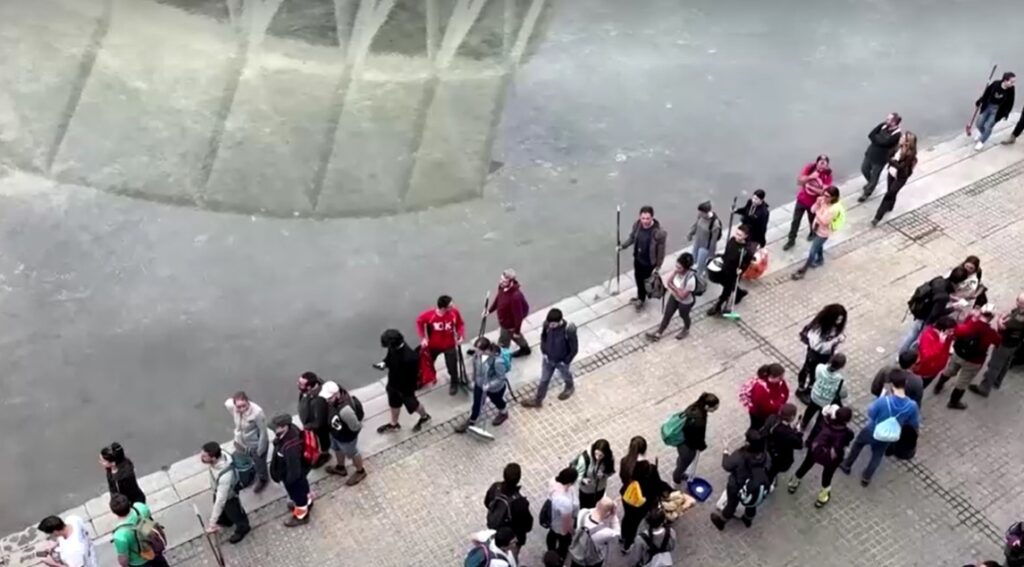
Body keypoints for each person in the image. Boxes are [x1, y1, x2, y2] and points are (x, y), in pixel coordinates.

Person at [839, 374, 920, 486]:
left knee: (858, 444)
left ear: (892, 385)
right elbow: (913, 423)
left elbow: (871, 413)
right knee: (877, 455)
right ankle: (866, 477)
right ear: (905, 385)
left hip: (872, 429)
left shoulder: (884, 401)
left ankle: (847, 464)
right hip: (889, 435)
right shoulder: (912, 406)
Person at [934, 306, 1002, 409]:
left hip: (958, 354)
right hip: (974, 361)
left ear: (980, 313)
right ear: (991, 317)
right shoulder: (990, 332)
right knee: (963, 381)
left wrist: (970, 316)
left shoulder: (970, 325)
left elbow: (958, 331)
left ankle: (938, 386)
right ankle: (953, 402)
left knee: (949, 370)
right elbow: (998, 341)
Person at [788, 406, 855, 508]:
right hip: (832, 459)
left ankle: (793, 483)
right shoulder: (847, 433)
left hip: (815, 451)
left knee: (805, 466)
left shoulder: (825, 422)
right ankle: (822, 497)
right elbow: (846, 443)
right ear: (847, 420)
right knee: (827, 476)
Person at [899, 267, 970, 356]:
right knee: (919, 340)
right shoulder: (943, 297)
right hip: (926, 319)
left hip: (921, 311)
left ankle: (901, 354)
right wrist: (953, 308)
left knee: (912, 334)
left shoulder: (939, 280)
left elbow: (935, 294)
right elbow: (936, 313)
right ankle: (908, 357)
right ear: (959, 283)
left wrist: (950, 298)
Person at [710, 429, 771, 530]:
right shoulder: (764, 455)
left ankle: (721, 522)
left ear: (748, 442)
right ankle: (747, 520)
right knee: (751, 505)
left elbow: (727, 465)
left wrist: (725, 451)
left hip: (737, 486)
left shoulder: (740, 455)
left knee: (731, 504)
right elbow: (768, 466)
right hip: (753, 486)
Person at [374, 329, 432, 433]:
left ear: (393, 344)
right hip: (393, 383)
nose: (388, 348)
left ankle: (424, 416)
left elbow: (413, 377)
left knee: (413, 404)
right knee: (393, 403)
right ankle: (394, 424)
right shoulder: (394, 348)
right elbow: (389, 358)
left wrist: (405, 390)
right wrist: (384, 363)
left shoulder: (411, 358)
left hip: (405, 387)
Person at [523, 309, 579, 408]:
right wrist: (544, 351)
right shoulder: (547, 325)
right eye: (550, 324)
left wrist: (566, 361)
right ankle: (538, 400)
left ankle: (570, 387)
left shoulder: (568, 331)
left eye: (553, 324)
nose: (551, 326)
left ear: (560, 321)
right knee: (544, 380)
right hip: (548, 359)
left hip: (561, 361)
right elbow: (543, 337)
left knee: (565, 374)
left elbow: (574, 349)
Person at [973, 293, 1024, 396]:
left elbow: (1002, 326)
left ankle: (984, 388)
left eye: (1018, 300)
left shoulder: (1020, 319)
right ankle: (997, 381)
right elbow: (1012, 313)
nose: (1016, 301)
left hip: (1005, 343)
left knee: (995, 365)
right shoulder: (1020, 312)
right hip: (1015, 343)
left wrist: (999, 319)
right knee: (1006, 363)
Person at [794, 303, 848, 402]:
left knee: (815, 374)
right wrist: (830, 341)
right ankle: (801, 389)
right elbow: (815, 344)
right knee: (808, 370)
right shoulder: (818, 327)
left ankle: (809, 389)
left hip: (825, 355)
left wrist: (837, 341)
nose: (839, 322)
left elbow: (838, 338)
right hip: (815, 353)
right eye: (837, 319)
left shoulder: (835, 328)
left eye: (841, 320)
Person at [455, 337, 510, 432]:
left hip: (494, 388)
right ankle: (472, 420)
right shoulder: (478, 356)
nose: (476, 353)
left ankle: (504, 412)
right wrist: (474, 379)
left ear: (486, 350)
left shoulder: (497, 361)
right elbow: (476, 366)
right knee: (477, 403)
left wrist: (490, 385)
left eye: (478, 351)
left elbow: (501, 378)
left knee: (497, 401)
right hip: (480, 384)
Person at [618, 205, 668, 310]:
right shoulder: (637, 225)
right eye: (643, 218)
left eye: (647, 218)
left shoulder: (658, 233)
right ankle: (640, 296)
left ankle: (642, 299)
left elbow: (661, 251)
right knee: (638, 278)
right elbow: (632, 238)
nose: (645, 221)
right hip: (638, 259)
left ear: (652, 217)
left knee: (645, 281)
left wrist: (658, 266)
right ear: (640, 217)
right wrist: (623, 246)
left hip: (649, 262)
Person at [416, 295, 467, 395]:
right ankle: (424, 378)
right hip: (433, 345)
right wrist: (423, 338)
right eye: (450, 306)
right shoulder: (430, 316)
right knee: (427, 363)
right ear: (444, 308)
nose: (453, 307)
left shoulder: (454, 313)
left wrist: (461, 335)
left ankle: (454, 382)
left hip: (449, 345)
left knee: (452, 366)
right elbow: (419, 321)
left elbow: (460, 324)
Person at [200, 442, 250, 544]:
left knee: (235, 513)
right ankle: (225, 521)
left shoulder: (225, 475)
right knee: (222, 511)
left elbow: (220, 500)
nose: (201, 457)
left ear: (213, 458)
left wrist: (212, 522)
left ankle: (243, 528)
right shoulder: (218, 457)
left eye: (204, 456)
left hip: (229, 496)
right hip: (217, 489)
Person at [320, 381, 368, 485]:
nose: (327, 401)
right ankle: (340, 467)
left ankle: (360, 471)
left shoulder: (345, 411)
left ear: (337, 394)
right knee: (337, 448)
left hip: (347, 438)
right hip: (336, 433)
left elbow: (356, 427)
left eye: (329, 398)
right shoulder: (337, 395)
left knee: (353, 453)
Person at [484, 463, 534, 561]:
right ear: (519, 479)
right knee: (511, 559)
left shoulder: (495, 487)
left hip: (494, 529)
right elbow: (527, 525)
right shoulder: (520, 503)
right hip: (510, 537)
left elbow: (486, 503)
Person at [619, 459, 671, 554]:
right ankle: (628, 544)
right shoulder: (651, 473)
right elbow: (658, 485)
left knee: (627, 519)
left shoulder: (632, 477)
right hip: (641, 507)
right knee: (634, 525)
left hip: (628, 500)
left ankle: (623, 538)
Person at [269, 413, 313, 527]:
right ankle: (308, 501)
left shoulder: (290, 447)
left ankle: (301, 515)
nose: (273, 430)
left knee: (298, 495)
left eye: (275, 428)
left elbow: (294, 470)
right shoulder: (292, 429)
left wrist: (289, 481)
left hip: (293, 477)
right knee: (304, 488)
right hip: (301, 473)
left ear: (284, 427)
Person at [791, 186, 843, 280]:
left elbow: (824, 221)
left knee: (813, 250)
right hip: (816, 227)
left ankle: (804, 269)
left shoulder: (834, 208)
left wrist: (818, 212)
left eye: (827, 196)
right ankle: (820, 259)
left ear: (833, 197)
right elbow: (812, 210)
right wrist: (817, 203)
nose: (824, 197)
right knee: (818, 245)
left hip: (823, 232)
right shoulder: (823, 201)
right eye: (824, 195)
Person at [646, 252, 697, 342]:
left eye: (679, 267)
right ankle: (659, 332)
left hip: (685, 302)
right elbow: (668, 281)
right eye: (676, 266)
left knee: (684, 315)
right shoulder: (677, 272)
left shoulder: (691, 280)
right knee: (667, 313)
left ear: (685, 268)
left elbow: (682, 296)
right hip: (674, 297)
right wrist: (675, 284)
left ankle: (686, 328)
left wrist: (673, 287)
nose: (677, 269)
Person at [224, 391, 269, 493]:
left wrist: (260, 449)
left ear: (248, 401)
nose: (242, 409)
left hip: (254, 443)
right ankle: (248, 471)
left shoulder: (257, 412)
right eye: (238, 407)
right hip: (240, 441)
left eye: (244, 406)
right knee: (241, 457)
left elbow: (263, 432)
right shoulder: (234, 408)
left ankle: (263, 479)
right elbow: (227, 403)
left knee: (259, 463)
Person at [785, 155, 833, 251]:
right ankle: (791, 239)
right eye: (820, 163)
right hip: (802, 200)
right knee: (795, 221)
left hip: (814, 204)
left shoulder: (828, 175)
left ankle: (812, 233)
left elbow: (825, 192)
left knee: (813, 222)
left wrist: (812, 188)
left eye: (825, 164)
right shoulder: (810, 168)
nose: (822, 166)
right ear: (817, 163)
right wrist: (811, 176)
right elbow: (799, 181)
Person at [671, 392, 720, 485]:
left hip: (681, 442)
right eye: (714, 408)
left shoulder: (694, 407)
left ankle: (679, 468)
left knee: (681, 459)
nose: (715, 410)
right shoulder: (699, 421)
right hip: (688, 447)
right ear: (707, 406)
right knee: (684, 463)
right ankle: (677, 477)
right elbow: (697, 439)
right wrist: (702, 446)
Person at [707, 225, 756, 317]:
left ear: (745, 236)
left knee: (727, 289)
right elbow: (727, 253)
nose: (737, 236)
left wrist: (741, 270)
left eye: (740, 235)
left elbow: (746, 263)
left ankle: (718, 305)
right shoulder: (732, 240)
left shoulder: (745, 250)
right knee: (726, 285)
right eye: (737, 234)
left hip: (733, 272)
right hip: (725, 267)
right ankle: (740, 293)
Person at [872, 132, 919, 226]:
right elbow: (888, 156)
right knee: (891, 191)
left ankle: (877, 217)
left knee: (888, 194)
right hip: (892, 173)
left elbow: (901, 167)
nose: (900, 138)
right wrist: (892, 161)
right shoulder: (897, 147)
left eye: (903, 137)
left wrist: (892, 161)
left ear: (907, 142)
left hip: (900, 178)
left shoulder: (910, 154)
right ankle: (890, 206)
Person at [109, 494, 167, 567]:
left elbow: (123, 560)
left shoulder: (120, 535)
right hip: (154, 549)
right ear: (129, 503)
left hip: (139, 562)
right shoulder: (140, 507)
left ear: (114, 512)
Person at [486, 269, 531, 358]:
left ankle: (500, 355)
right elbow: (498, 298)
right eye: (501, 280)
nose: (501, 282)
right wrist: (489, 311)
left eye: (504, 281)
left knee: (504, 340)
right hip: (505, 319)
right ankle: (525, 348)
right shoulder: (502, 287)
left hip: (509, 324)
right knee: (514, 336)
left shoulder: (515, 297)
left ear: (511, 282)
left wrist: (517, 330)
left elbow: (518, 316)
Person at [858, 113, 902, 201]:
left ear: (894, 123)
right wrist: (879, 139)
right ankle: (871, 183)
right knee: (864, 169)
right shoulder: (882, 126)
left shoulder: (897, 134)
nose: (886, 120)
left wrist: (876, 138)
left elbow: (885, 143)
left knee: (875, 176)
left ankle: (867, 192)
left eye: (889, 119)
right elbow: (871, 135)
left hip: (880, 159)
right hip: (870, 154)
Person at [800, 353, 848, 432]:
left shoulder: (820, 367)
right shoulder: (840, 380)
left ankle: (803, 423)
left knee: (809, 411)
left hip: (815, 396)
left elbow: (816, 377)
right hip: (826, 402)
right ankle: (813, 435)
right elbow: (843, 394)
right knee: (821, 419)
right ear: (842, 366)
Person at [569, 497, 620, 567]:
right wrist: (614, 515)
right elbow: (618, 534)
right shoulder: (605, 532)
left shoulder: (582, 512)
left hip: (577, 554)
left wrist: (603, 507)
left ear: (596, 504)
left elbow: (595, 511)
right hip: (592, 561)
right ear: (608, 513)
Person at [973, 71, 1016, 150]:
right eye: (1011, 82)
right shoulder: (996, 84)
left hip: (998, 110)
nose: (1013, 84)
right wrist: (980, 101)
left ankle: (981, 141)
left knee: (988, 126)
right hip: (988, 106)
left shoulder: (1011, 89)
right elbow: (986, 93)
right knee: (979, 123)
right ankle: (983, 134)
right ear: (1005, 80)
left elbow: (1011, 102)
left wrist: (1006, 113)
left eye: (1014, 82)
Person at [740, 363, 790, 430]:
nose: (782, 379)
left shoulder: (780, 382)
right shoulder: (761, 388)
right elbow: (767, 407)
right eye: (780, 377)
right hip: (759, 414)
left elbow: (786, 392)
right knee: (757, 426)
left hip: (771, 411)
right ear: (772, 377)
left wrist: (780, 402)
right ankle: (752, 436)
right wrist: (780, 402)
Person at [296, 371, 331, 468]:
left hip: (317, 426)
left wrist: (307, 426)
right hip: (308, 418)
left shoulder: (319, 401)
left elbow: (320, 422)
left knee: (323, 437)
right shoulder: (307, 391)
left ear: (309, 387)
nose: (297, 385)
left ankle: (325, 453)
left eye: (300, 384)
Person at [546, 467, 580, 563]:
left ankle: (551, 550)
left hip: (552, 517)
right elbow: (566, 523)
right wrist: (573, 532)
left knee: (552, 534)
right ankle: (560, 556)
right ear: (570, 483)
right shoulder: (565, 501)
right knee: (564, 540)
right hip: (561, 523)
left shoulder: (553, 481)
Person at [913, 316, 958, 390]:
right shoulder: (928, 336)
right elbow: (927, 356)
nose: (952, 333)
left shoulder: (946, 335)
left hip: (935, 369)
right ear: (941, 330)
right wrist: (940, 343)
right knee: (918, 388)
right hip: (925, 371)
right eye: (950, 331)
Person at [764, 403, 803, 483]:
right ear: (792, 417)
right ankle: (769, 482)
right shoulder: (789, 434)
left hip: (770, 448)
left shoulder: (773, 419)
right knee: (773, 470)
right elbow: (799, 445)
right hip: (780, 457)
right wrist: (798, 432)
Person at [573, 439, 615, 510]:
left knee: (597, 506)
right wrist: (583, 480)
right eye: (596, 454)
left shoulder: (609, 459)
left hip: (600, 488)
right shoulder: (585, 459)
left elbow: (611, 471)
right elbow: (576, 474)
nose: (597, 457)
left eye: (601, 455)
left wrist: (604, 475)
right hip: (586, 491)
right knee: (584, 508)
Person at [687, 201, 722, 279]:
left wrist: (711, 254)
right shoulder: (700, 216)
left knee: (701, 263)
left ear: (706, 212)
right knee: (694, 259)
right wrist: (690, 234)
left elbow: (713, 241)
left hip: (705, 247)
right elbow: (696, 224)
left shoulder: (715, 224)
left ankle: (698, 278)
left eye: (701, 213)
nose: (699, 214)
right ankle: (697, 272)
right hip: (697, 242)